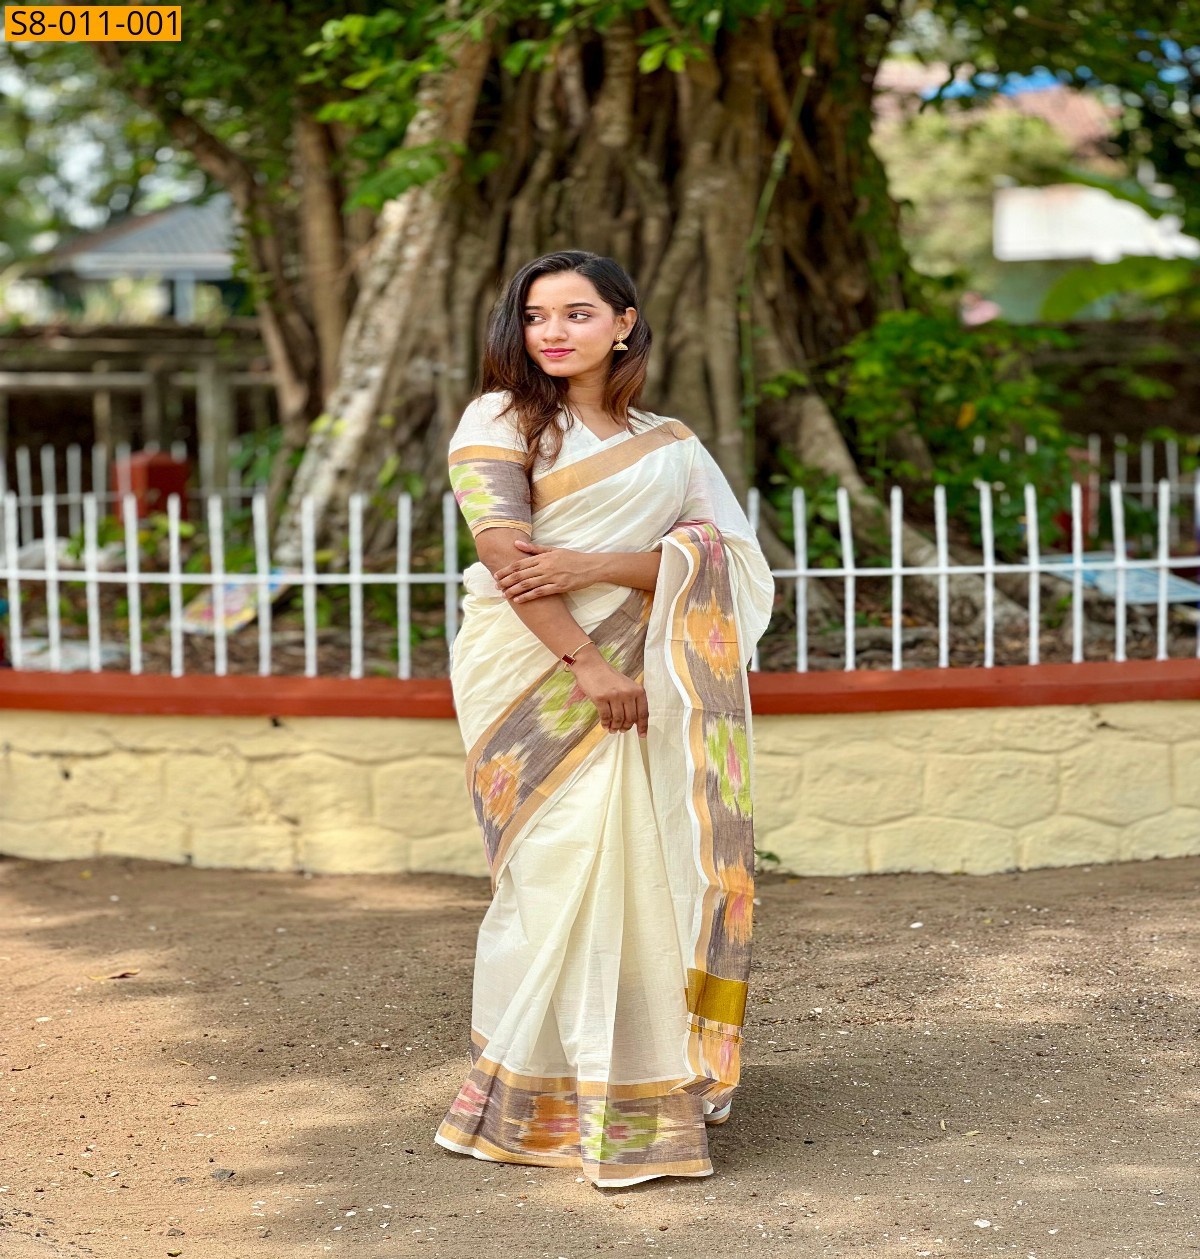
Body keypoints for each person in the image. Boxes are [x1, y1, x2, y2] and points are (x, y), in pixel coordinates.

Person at [434, 250, 774, 1187]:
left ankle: (638, 1083)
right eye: (537, 315)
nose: (552, 331)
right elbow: (509, 555)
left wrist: (594, 564)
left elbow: (726, 557)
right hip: (533, 673)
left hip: (649, 679)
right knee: (550, 872)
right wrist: (583, 660)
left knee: (648, 869)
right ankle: (532, 1089)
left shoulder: (670, 441)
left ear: (624, 322)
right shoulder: (500, 420)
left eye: (577, 313)